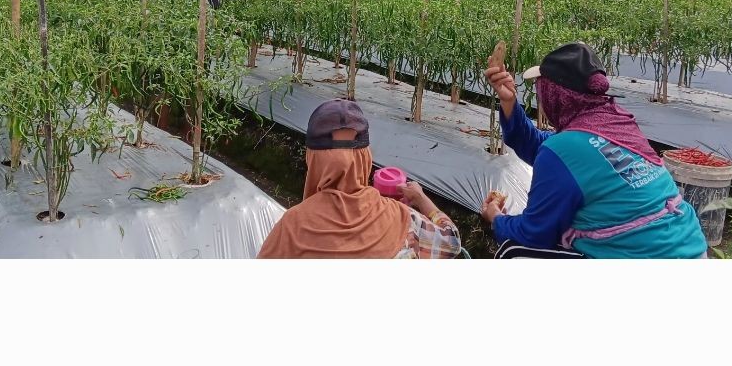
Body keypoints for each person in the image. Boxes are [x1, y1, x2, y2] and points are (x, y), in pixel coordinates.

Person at [481, 41, 708, 259]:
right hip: (690, 247)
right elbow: (539, 145)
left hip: (643, 256)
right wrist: (509, 101)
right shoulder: (617, 124)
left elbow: (533, 233)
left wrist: (496, 219)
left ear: (556, 96)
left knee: (513, 250)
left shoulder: (563, 150)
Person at [258, 101, 462, 260]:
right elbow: (451, 243)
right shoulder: (404, 220)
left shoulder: (292, 228)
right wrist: (420, 198)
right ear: (365, 158)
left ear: (312, 158)